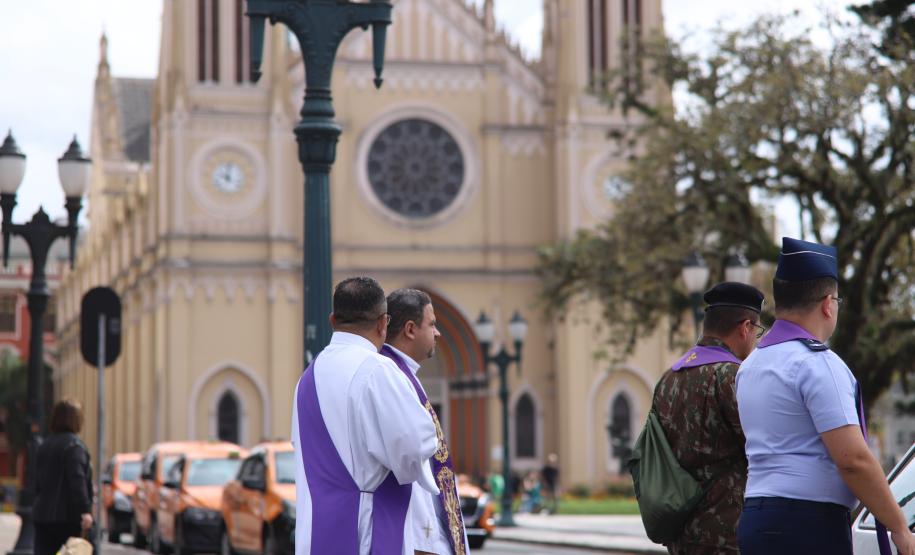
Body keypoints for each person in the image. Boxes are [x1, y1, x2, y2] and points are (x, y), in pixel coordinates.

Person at [736, 237, 915, 555]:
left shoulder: (750, 366)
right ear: (828, 304)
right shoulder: (817, 364)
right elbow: (854, 461)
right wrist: (900, 528)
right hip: (808, 523)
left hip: (756, 518)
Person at [291, 277, 439, 555]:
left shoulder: (307, 379)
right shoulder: (378, 370)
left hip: (316, 535)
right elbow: (414, 447)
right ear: (384, 323)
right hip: (365, 532)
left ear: (332, 320)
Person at [653, 281, 765, 555]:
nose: (755, 340)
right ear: (745, 327)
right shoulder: (732, 376)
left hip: (680, 531)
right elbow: (761, 448)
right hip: (726, 532)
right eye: (757, 332)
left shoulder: (669, 378)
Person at [380, 288, 469, 555]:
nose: (438, 333)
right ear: (410, 329)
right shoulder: (392, 377)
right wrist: (425, 540)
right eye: (431, 324)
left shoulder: (403, 374)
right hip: (419, 536)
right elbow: (410, 461)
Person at [34, 399, 94, 555]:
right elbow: (77, 480)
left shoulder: (45, 445)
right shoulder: (74, 446)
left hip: (43, 516)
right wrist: (85, 511)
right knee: (83, 550)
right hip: (68, 518)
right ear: (77, 420)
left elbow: (37, 481)